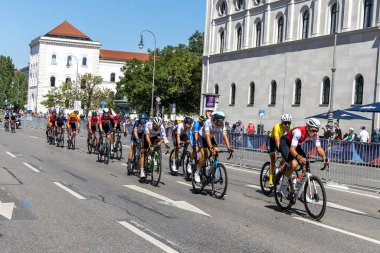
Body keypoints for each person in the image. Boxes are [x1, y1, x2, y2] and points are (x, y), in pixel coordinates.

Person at [279, 118, 329, 198]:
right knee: (294, 164)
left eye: (316, 131)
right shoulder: (299, 132)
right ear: (307, 127)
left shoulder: (315, 135)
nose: (314, 133)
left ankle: (299, 190)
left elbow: (319, 148)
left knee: (305, 164)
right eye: (313, 130)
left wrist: (324, 157)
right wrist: (298, 157)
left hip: (296, 145)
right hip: (286, 143)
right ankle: (283, 187)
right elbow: (292, 149)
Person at [197, 111, 233, 183]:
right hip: (203, 137)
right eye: (220, 121)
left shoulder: (222, 124)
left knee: (216, 152)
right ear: (215, 120)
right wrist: (211, 148)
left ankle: (210, 170)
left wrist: (229, 148)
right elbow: (207, 136)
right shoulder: (208, 122)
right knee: (205, 155)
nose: (221, 122)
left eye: (222, 121)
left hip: (211, 138)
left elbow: (225, 136)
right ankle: (197, 172)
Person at [140, 117, 170, 181]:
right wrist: (150, 144)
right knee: (143, 152)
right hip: (146, 137)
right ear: (153, 123)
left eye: (158, 126)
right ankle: (142, 171)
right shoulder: (148, 124)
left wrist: (167, 144)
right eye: (156, 125)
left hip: (154, 137)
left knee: (159, 144)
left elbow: (164, 136)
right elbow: (147, 135)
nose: (157, 127)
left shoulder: (161, 127)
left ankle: (157, 159)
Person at [267, 114, 292, 186]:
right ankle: (271, 179)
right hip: (272, 141)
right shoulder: (277, 127)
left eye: (288, 123)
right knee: (273, 158)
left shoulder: (290, 128)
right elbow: (277, 141)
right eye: (285, 123)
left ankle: (279, 171)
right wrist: (281, 150)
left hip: (281, 141)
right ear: (282, 122)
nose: (287, 125)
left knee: (285, 158)